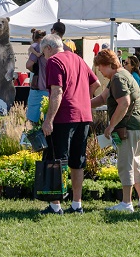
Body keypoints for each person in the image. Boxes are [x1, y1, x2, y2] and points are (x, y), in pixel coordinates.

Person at [40, 34, 100, 215]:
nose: (44, 57)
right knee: (77, 161)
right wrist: (82, 99)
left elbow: (57, 92)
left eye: (43, 53)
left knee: (57, 160)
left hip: (64, 117)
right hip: (83, 116)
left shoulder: (54, 61)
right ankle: (76, 204)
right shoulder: (78, 59)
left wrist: (49, 119)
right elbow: (96, 83)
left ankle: (56, 205)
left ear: (49, 48)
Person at [91, 48, 140, 212]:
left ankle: (126, 203)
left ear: (109, 64)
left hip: (129, 126)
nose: (100, 72)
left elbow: (124, 103)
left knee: (125, 164)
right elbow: (103, 98)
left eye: (100, 68)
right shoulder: (121, 74)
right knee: (135, 161)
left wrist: (111, 126)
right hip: (139, 124)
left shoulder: (117, 78)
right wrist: (84, 104)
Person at [25, 29, 48, 124]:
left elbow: (29, 65)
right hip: (48, 83)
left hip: (38, 82)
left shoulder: (36, 45)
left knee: (34, 114)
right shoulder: (45, 46)